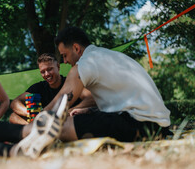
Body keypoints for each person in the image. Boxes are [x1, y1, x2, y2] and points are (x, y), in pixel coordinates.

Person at [39, 26, 171, 142]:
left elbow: (61, 102)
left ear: (76, 48)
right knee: (85, 118)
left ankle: (22, 132)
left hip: (141, 127)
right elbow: (122, 101)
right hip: (160, 126)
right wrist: (90, 110)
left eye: (65, 55)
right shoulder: (109, 56)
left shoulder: (87, 62)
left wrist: (38, 119)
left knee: (60, 126)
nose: (65, 61)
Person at [9, 53, 95, 124]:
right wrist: (32, 114)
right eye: (43, 72)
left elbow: (91, 98)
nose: (46, 74)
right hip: (45, 122)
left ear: (58, 66)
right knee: (13, 116)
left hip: (69, 120)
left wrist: (68, 112)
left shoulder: (70, 82)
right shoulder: (39, 87)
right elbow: (15, 103)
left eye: (50, 69)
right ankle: (35, 131)